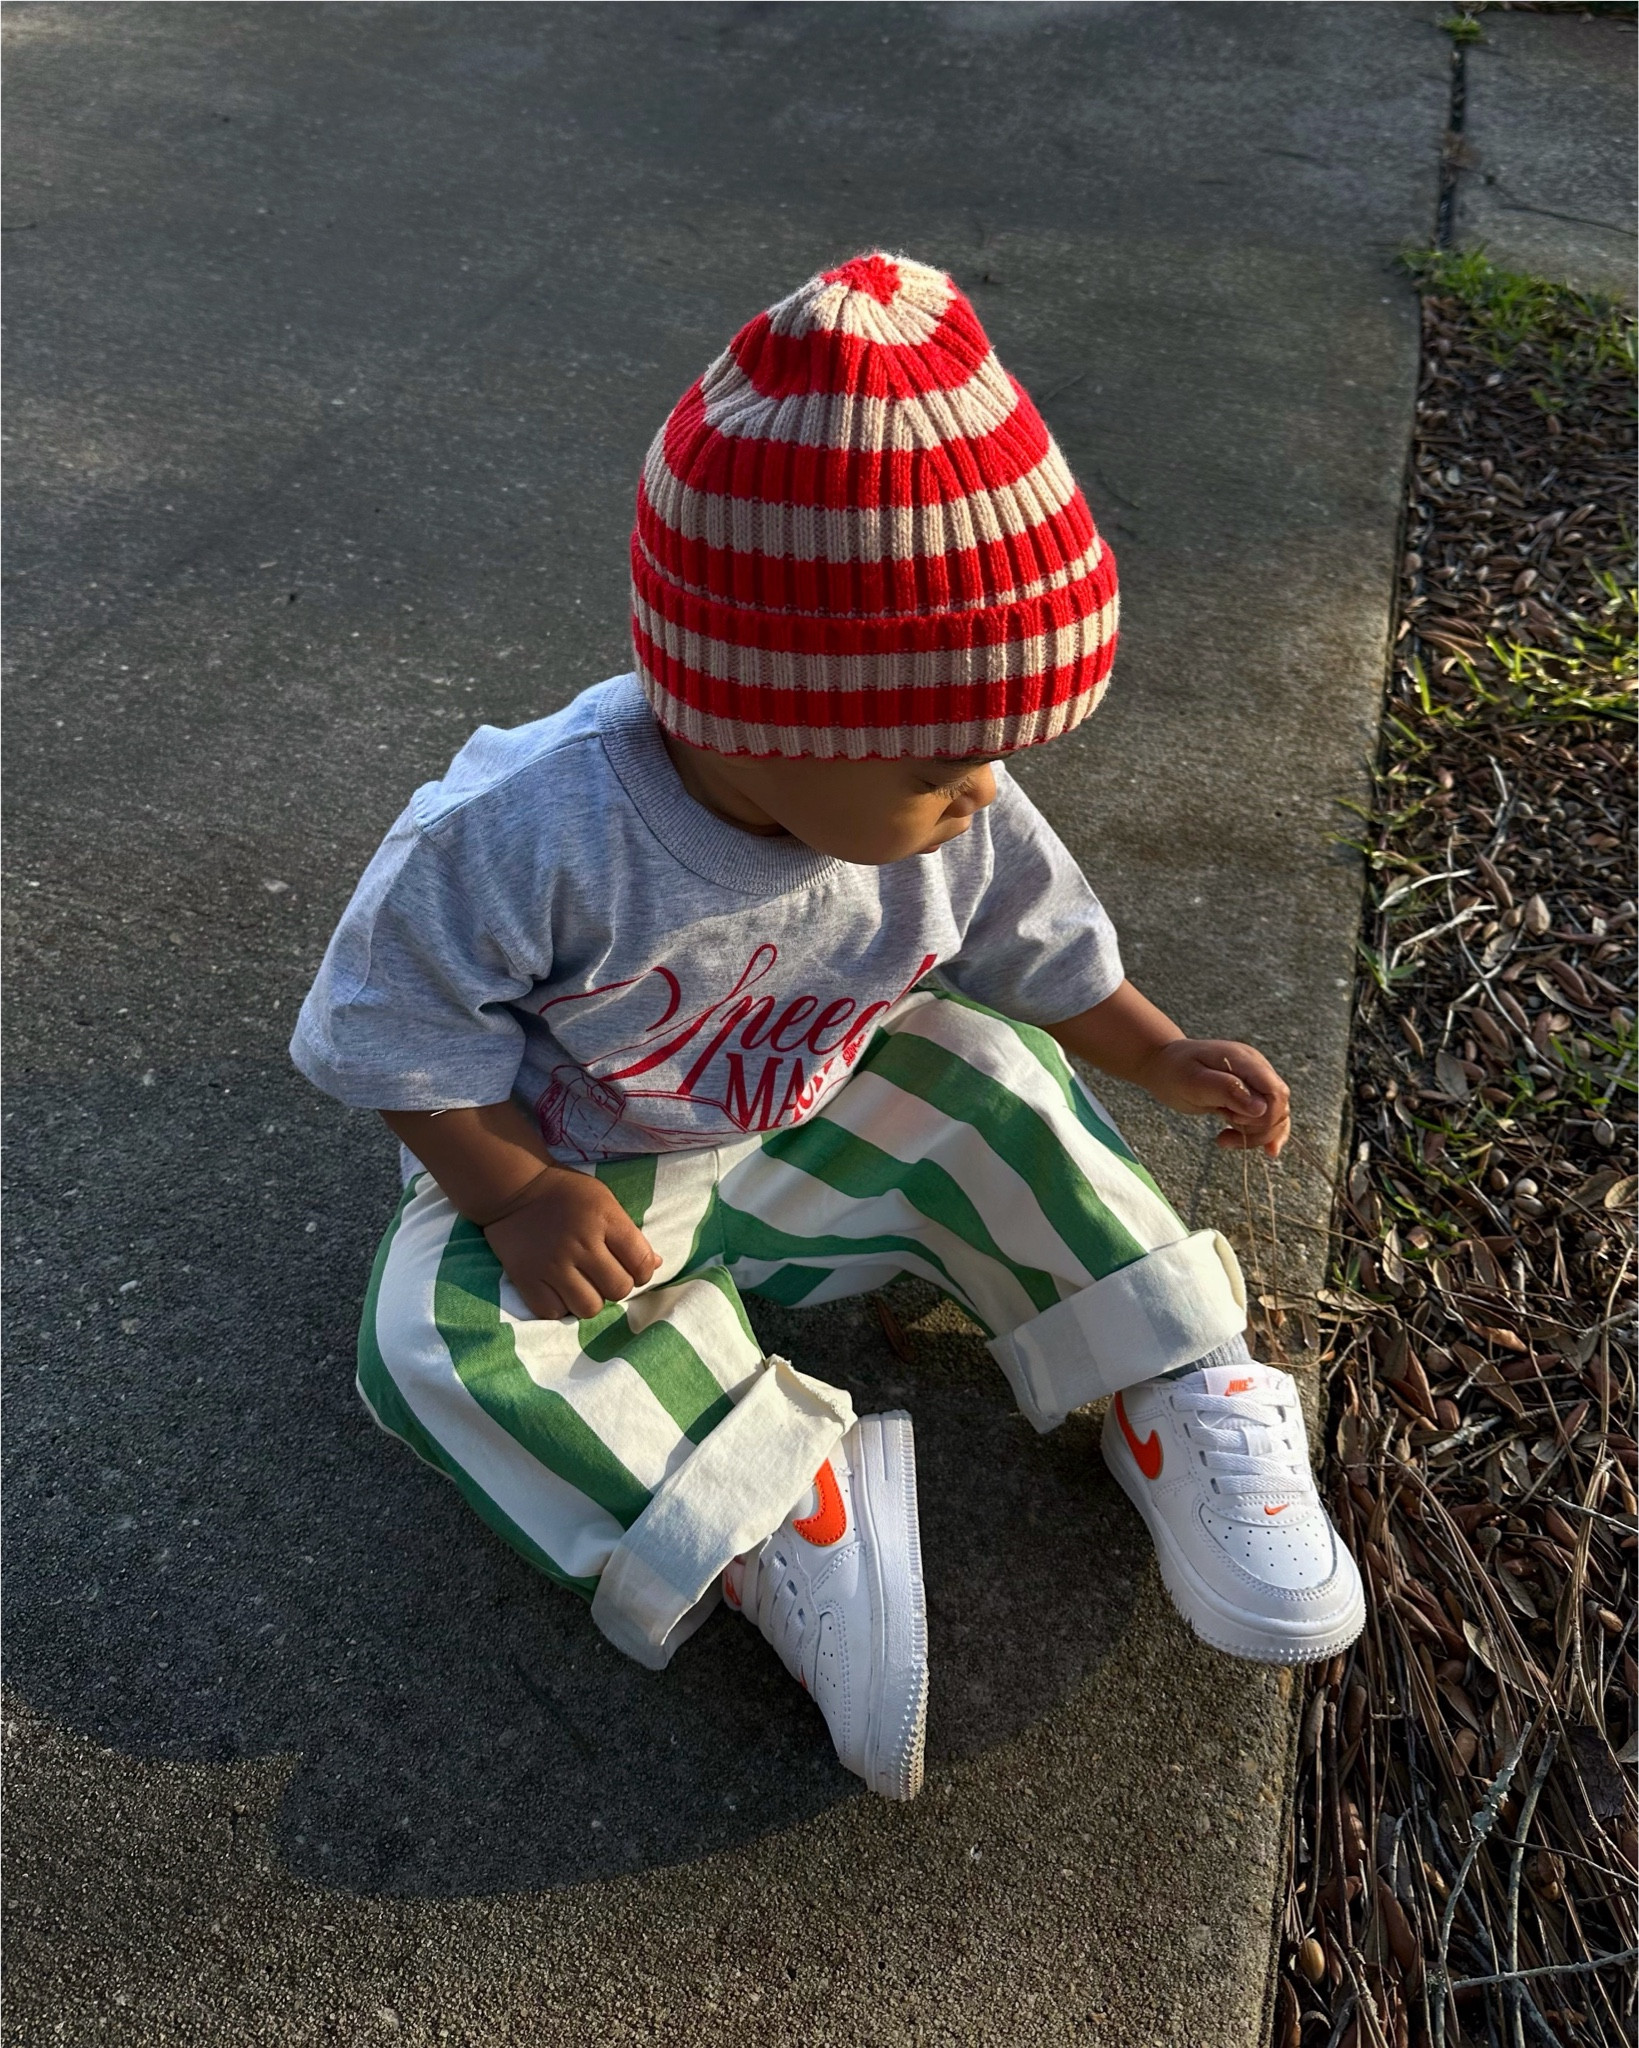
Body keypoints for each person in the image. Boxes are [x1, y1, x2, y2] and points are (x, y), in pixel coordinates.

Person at [292, 252, 1363, 1803]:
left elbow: (1036, 954)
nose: (988, 787)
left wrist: (1153, 1048)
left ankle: (1167, 1370)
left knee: (991, 1069)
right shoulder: (526, 830)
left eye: (1003, 746)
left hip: (814, 1124)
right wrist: (512, 1192)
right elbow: (389, 1027)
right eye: (951, 755)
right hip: (591, 1179)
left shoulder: (945, 801)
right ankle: (775, 1499)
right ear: (754, 713)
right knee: (430, 1344)